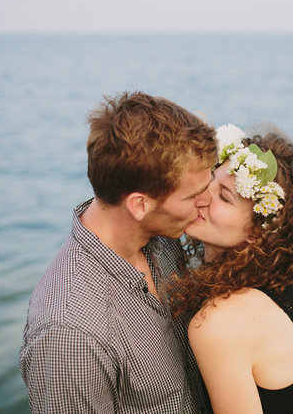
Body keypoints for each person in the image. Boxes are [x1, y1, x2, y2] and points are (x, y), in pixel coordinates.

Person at [19, 91, 217, 413]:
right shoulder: (70, 335)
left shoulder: (161, 237)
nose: (206, 201)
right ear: (139, 204)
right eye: (194, 194)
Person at [170, 124, 293, 414]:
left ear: (257, 233)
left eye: (224, 197)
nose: (201, 195)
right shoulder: (273, 290)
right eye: (210, 178)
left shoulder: (221, 322)